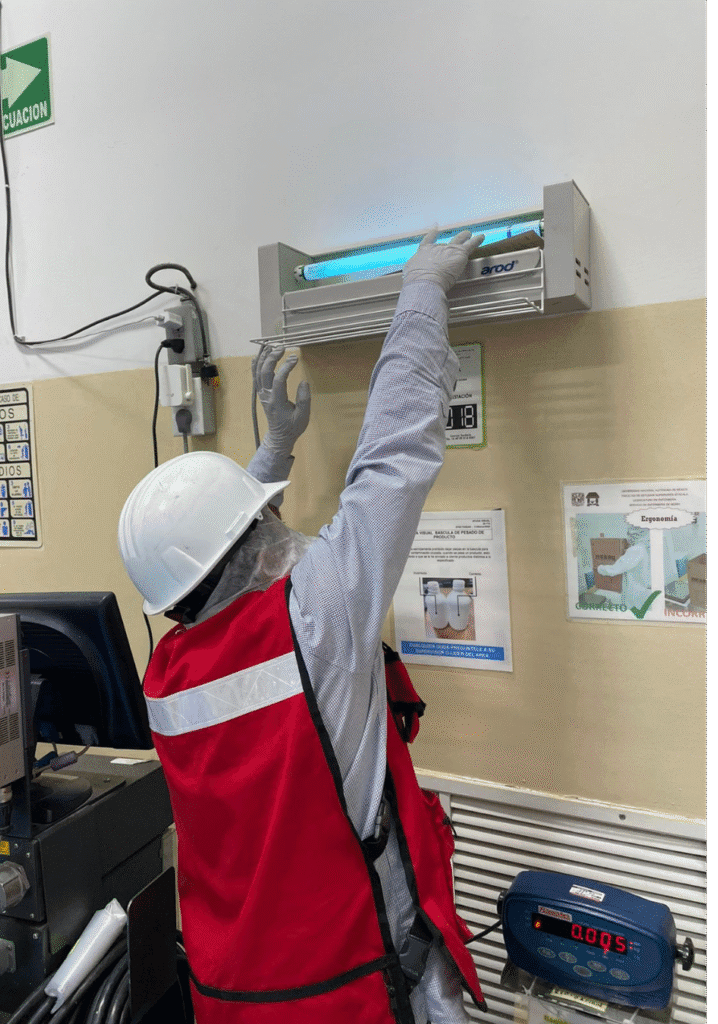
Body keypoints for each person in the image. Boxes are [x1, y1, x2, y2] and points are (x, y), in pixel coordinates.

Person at [118, 228, 488, 1024]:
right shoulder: (314, 618)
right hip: (345, 984)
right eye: (262, 520)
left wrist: (276, 449)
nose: (275, 528)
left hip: (234, 993)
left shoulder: (170, 680)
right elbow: (391, 456)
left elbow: (222, 561)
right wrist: (422, 289)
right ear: (251, 541)